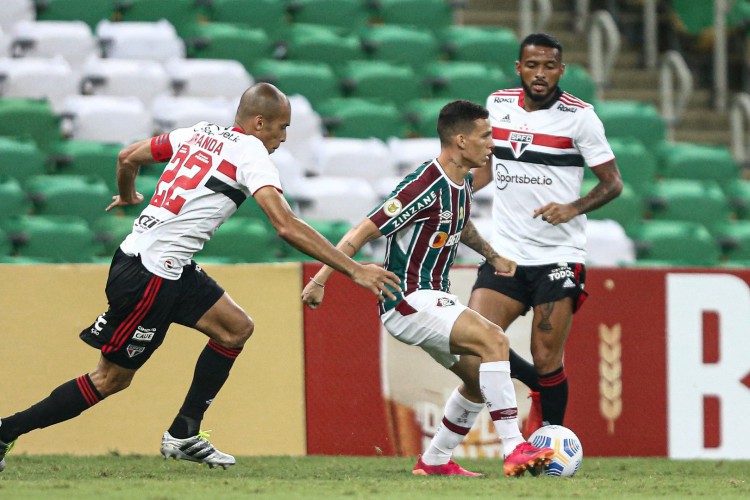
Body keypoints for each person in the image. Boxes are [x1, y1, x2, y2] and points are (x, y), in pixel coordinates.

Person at [0, 82, 400, 472]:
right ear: (259, 123)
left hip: (163, 265)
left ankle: (184, 431)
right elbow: (286, 226)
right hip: (149, 276)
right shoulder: (252, 153)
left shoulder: (198, 132)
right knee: (110, 379)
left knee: (235, 328)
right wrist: (353, 270)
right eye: (282, 127)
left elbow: (128, 157)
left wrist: (126, 195)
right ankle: (6, 431)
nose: (283, 136)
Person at [302, 99, 554, 477]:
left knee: (477, 380)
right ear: (460, 140)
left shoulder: (463, 181)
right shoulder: (422, 186)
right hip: (406, 298)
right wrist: (320, 280)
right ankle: (514, 448)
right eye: (486, 136)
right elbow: (360, 231)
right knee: (494, 339)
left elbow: (460, 224)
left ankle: (434, 461)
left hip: (433, 297)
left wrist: (493, 256)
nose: (492, 143)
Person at [468, 33, 623, 437]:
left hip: (557, 254)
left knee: (547, 354)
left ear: (561, 70)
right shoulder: (498, 105)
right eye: (532, 65)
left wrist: (572, 207)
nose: (540, 74)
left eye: (549, 66)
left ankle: (550, 440)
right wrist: (457, 192)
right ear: (519, 68)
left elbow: (612, 184)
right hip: (506, 253)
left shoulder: (580, 116)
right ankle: (536, 383)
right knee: (474, 340)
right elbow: (485, 166)